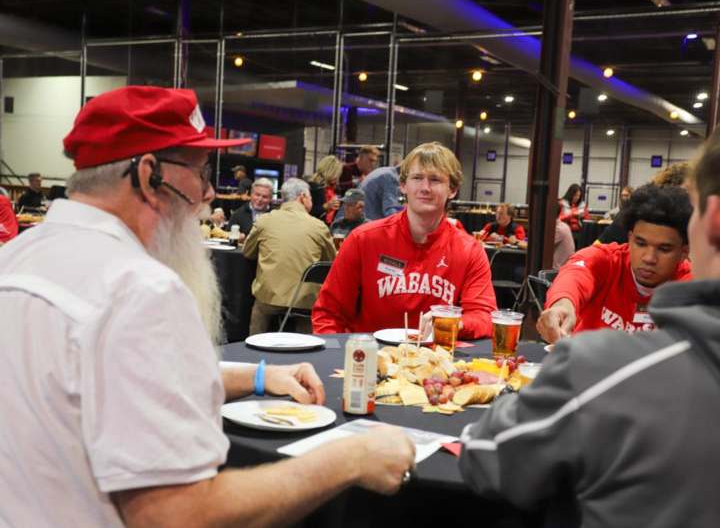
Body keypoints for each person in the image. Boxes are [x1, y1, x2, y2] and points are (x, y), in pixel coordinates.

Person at [0, 85, 415, 527]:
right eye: (200, 172)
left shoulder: (17, 258)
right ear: (148, 175)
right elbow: (178, 515)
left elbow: (103, 378)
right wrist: (349, 459)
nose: (209, 193)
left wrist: (259, 376)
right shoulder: (140, 289)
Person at [460, 103, 720, 528]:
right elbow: (579, 272)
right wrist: (562, 303)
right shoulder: (608, 270)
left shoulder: (604, 370)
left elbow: (487, 457)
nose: (650, 256)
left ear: (712, 221)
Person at [312, 141, 497, 338]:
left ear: (452, 190)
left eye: (435, 180)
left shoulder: (469, 250)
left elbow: (484, 316)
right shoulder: (363, 240)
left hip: (434, 362)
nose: (425, 188)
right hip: (370, 360)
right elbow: (328, 314)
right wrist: (342, 358)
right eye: (417, 178)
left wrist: (455, 323)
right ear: (403, 185)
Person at [537, 184, 692, 343]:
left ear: (684, 252)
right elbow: (575, 275)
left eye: (664, 249)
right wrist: (562, 306)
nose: (649, 258)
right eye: (641, 243)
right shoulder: (606, 261)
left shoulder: (694, 285)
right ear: (630, 238)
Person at [243, 178, 337, 334]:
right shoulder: (319, 227)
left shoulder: (264, 221)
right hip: (305, 301)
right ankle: (306, 348)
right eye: (311, 198)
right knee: (307, 316)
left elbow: (247, 252)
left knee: (260, 310)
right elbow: (331, 263)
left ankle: (255, 348)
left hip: (269, 297)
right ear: (302, 197)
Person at [599, 162, 692, 245]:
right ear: (671, 188)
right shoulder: (634, 214)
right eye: (689, 192)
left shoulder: (690, 225)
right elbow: (596, 250)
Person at [309, 155, 343, 225]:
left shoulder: (334, 188)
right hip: (315, 227)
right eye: (335, 173)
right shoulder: (314, 187)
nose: (337, 176)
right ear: (328, 171)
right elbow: (307, 211)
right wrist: (325, 206)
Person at [553, 204, 575, 270]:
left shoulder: (558, 229)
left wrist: (520, 243)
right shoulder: (563, 225)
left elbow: (538, 247)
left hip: (556, 270)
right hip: (563, 267)